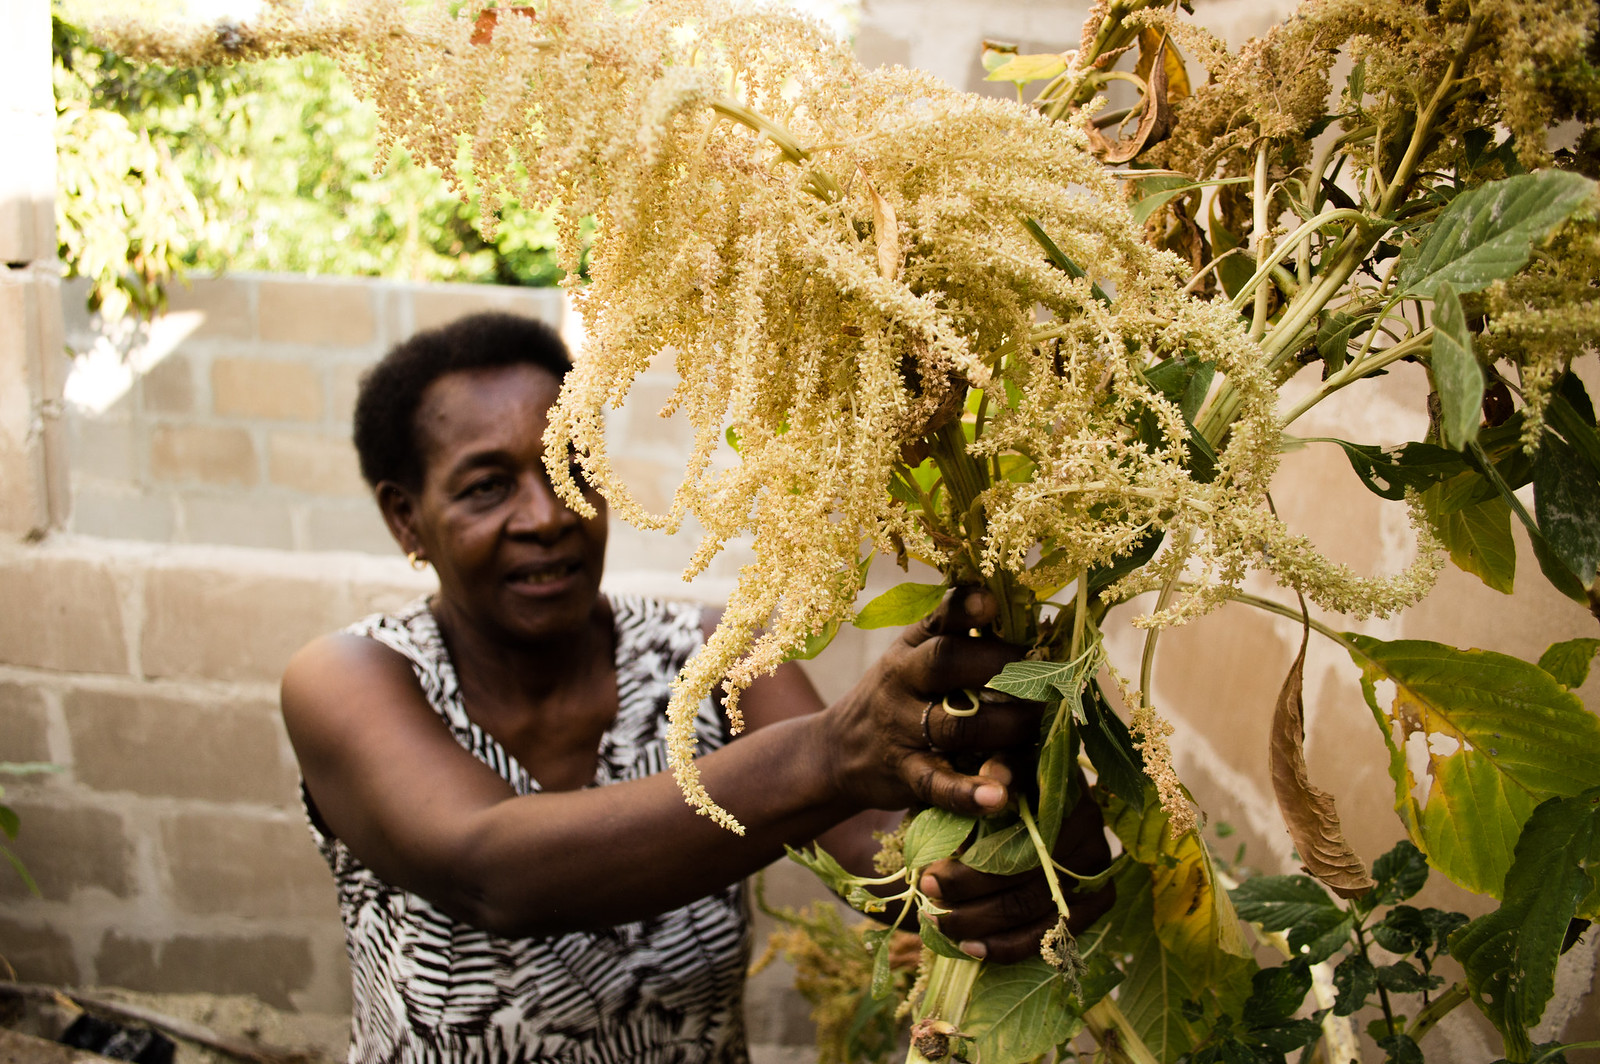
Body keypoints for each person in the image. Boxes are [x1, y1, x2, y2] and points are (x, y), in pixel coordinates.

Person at [280, 312, 1112, 1064]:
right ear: (404, 519)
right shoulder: (352, 677)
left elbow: (890, 869)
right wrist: (831, 752)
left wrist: (1017, 837)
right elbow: (489, 870)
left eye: (573, 465)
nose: (549, 513)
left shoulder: (717, 656)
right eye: (487, 486)